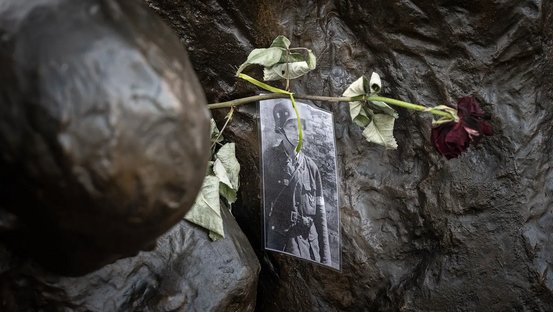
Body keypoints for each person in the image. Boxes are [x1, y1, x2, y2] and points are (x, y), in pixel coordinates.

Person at [264, 101, 331, 265]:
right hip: (281, 241)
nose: (297, 132)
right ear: (281, 129)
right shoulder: (270, 158)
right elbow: (264, 205)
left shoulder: (311, 167)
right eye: (292, 127)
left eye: (300, 127)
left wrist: (326, 257)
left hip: (308, 244)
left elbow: (320, 216)